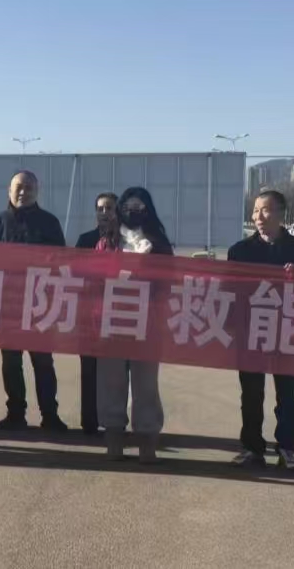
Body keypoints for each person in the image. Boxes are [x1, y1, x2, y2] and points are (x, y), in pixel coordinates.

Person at [226, 189, 294, 471]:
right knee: (251, 393)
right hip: (251, 331)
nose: (258, 216)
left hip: (288, 330)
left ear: (281, 213)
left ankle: (287, 448)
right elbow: (230, 292)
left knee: (288, 395)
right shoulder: (240, 251)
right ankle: (252, 447)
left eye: (265, 210)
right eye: (255, 210)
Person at [0, 170, 69, 432]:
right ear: (9, 191)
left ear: (37, 191)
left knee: (43, 363)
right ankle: (15, 414)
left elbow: (61, 262)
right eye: (18, 187)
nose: (23, 192)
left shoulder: (49, 223)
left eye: (29, 187)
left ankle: (50, 415)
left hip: (40, 307)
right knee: (11, 364)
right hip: (8, 307)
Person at [97, 187, 174, 463]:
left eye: (139, 207)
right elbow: (96, 278)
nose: (133, 211)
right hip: (113, 323)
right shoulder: (107, 242)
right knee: (111, 382)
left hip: (148, 324)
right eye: (128, 206)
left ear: (148, 210)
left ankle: (147, 440)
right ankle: (113, 438)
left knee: (146, 385)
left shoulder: (159, 243)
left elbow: (169, 281)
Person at [72, 192, 120, 436]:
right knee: (89, 370)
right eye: (100, 208)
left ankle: (113, 422)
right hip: (89, 316)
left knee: (114, 373)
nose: (104, 213)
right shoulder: (85, 240)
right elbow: (74, 273)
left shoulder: (126, 242)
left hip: (118, 316)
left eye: (109, 208)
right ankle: (89, 421)